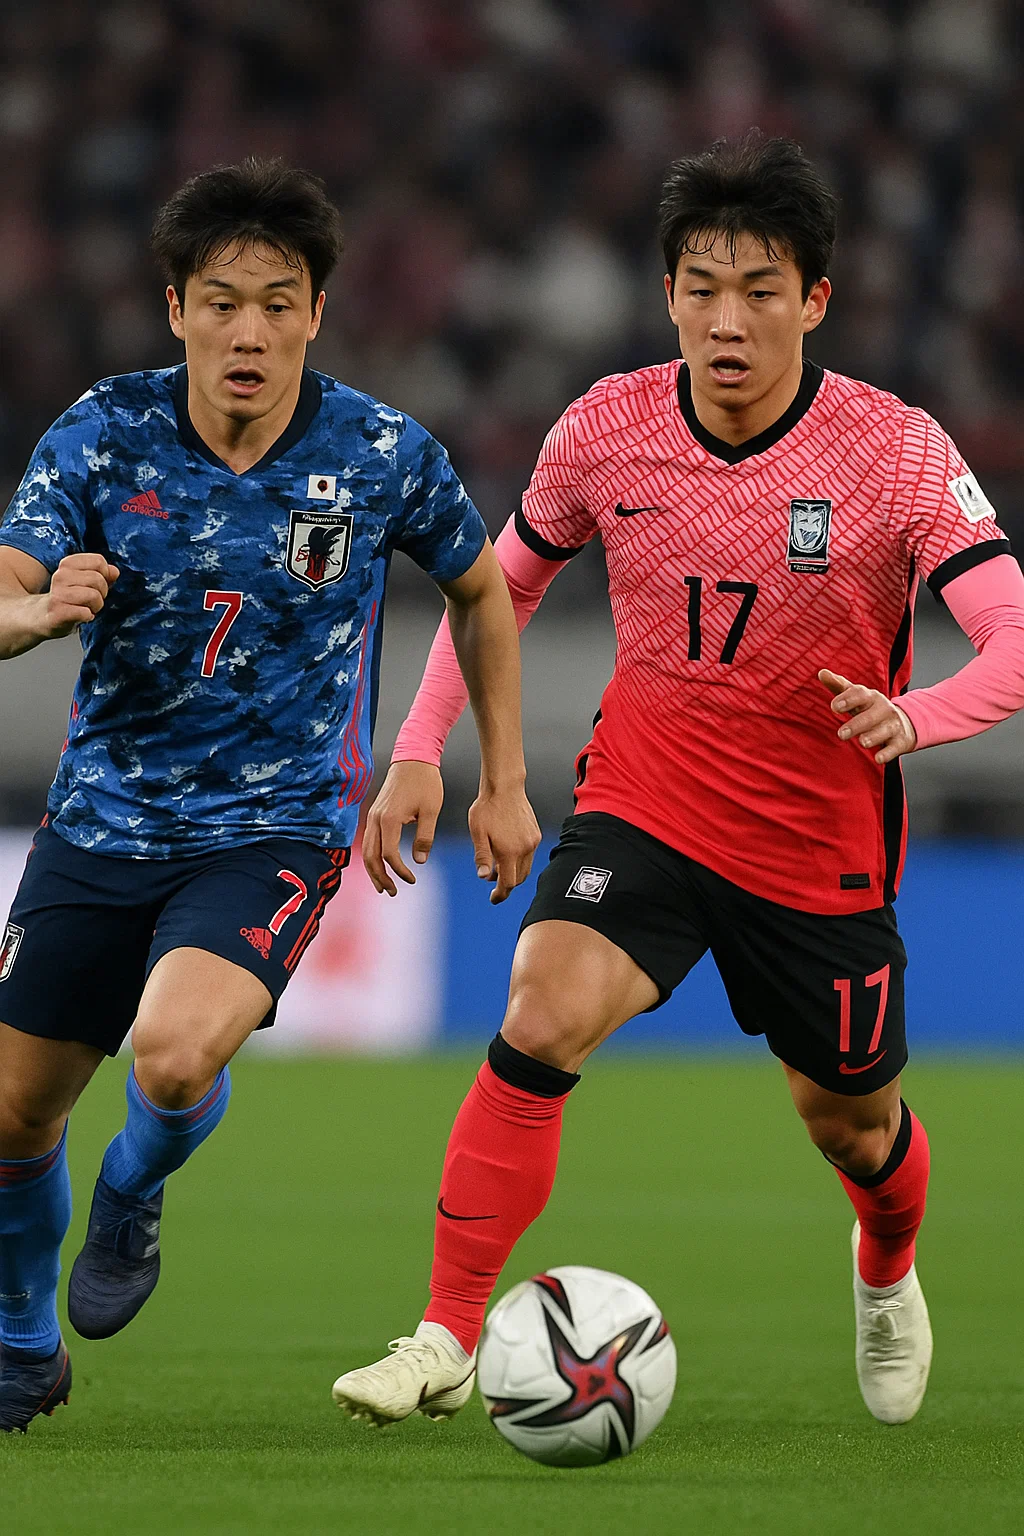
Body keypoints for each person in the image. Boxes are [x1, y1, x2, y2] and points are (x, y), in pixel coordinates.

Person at [333, 133, 1024, 1430]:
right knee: (541, 1010)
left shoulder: (895, 450)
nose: (727, 320)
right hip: (643, 806)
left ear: (815, 300)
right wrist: (425, 750)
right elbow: (495, 592)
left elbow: (1014, 636)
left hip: (817, 852)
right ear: (668, 296)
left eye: (759, 291)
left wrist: (918, 717)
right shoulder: (606, 428)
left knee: (851, 1125)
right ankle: (445, 1333)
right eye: (702, 289)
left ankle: (886, 1262)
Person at [0, 158, 540, 1433]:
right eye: (223, 303)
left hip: (276, 825)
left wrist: (490, 774)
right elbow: (6, 584)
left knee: (176, 1053)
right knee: (15, 1113)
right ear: (176, 308)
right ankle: (22, 1342)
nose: (248, 333)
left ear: (316, 314)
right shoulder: (103, 430)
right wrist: (31, 616)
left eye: (277, 304)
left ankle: (135, 1187)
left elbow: (482, 591)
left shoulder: (379, 453)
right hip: (102, 819)